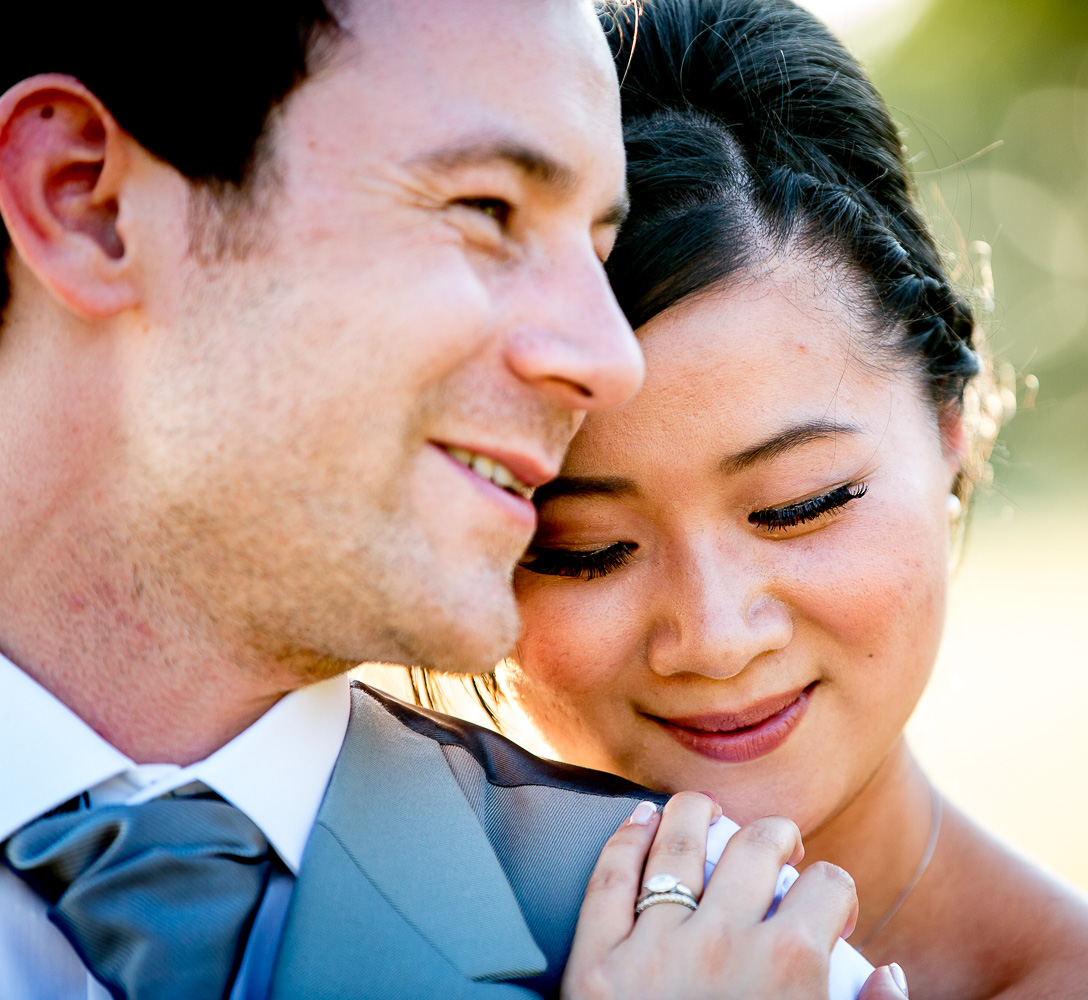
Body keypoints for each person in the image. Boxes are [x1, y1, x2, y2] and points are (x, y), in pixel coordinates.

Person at [0, 2, 909, 998]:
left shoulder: (742, 950)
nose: (610, 358)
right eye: (487, 211)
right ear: (82, 200)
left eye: (598, 255)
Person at [438, 1, 1088, 998]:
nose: (716, 637)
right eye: (586, 547)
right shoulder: (305, 918)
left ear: (957, 427)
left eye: (800, 504)